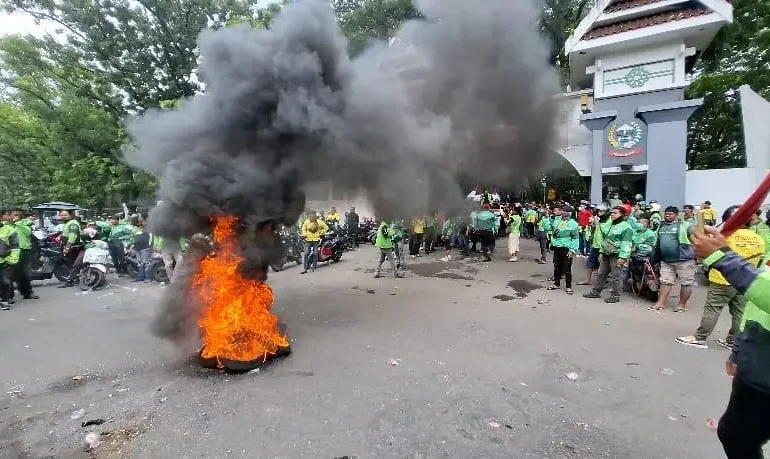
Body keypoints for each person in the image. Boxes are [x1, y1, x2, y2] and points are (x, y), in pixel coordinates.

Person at [689, 227, 770, 458]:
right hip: (756, 367)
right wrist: (739, 348)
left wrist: (722, 257)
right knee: (735, 435)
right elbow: (757, 304)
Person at [676, 206, 765, 349]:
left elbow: (707, 255)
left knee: (713, 309)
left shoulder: (723, 237)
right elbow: (760, 261)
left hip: (722, 279)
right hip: (745, 280)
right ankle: (733, 341)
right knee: (739, 312)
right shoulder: (758, 239)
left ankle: (700, 338)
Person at [649, 206, 696, 312]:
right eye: (666, 214)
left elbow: (696, 238)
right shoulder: (661, 226)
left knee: (686, 283)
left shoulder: (685, 225)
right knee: (665, 282)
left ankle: (681, 305)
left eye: (670, 214)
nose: (667, 216)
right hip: (666, 260)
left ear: (676, 215)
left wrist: (697, 255)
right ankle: (660, 303)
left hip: (684, 260)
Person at [583, 206, 633, 303]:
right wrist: (601, 252)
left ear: (622, 215)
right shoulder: (610, 225)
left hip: (616, 255)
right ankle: (596, 292)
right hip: (606, 253)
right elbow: (604, 240)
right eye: (612, 213)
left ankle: (615, 296)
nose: (612, 214)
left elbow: (626, 243)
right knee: (601, 273)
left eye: (615, 213)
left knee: (616, 276)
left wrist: (622, 257)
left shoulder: (626, 227)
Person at [547, 205, 579, 295]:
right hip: (557, 247)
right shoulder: (557, 220)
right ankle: (556, 284)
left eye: (564, 211)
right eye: (562, 211)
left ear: (569, 213)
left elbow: (575, 238)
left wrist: (572, 250)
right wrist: (550, 219)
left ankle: (568, 287)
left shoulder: (573, 224)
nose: (562, 212)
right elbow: (550, 229)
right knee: (557, 266)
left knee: (567, 268)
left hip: (566, 248)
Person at [10, 209, 38, 300]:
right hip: (10, 250)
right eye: (15, 214)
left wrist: (17, 223)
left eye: (19, 214)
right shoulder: (7, 224)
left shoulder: (24, 223)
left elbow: (28, 232)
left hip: (23, 250)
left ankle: (27, 292)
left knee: (24, 273)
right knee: (12, 273)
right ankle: (9, 296)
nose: (17, 216)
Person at [0, 210, 21, 309]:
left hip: (5, 261)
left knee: (5, 281)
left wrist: (12, 260)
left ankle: (5, 301)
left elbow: (15, 247)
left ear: (1, 218)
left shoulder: (10, 230)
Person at [58, 210, 83, 288]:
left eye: (65, 215)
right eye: (62, 215)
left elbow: (73, 236)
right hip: (71, 246)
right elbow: (67, 233)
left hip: (73, 247)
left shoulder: (72, 224)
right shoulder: (67, 223)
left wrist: (67, 247)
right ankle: (75, 279)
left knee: (69, 264)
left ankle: (69, 281)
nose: (63, 217)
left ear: (70, 215)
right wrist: (61, 236)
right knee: (71, 264)